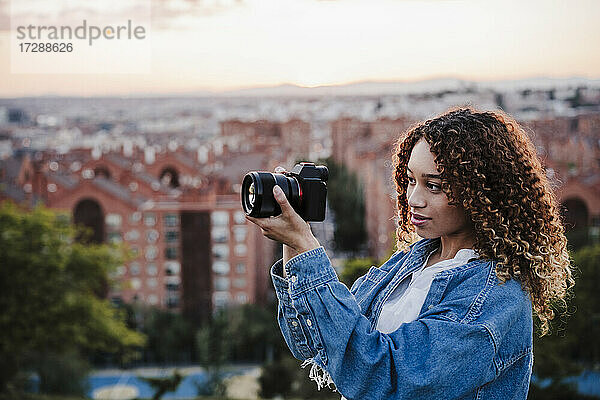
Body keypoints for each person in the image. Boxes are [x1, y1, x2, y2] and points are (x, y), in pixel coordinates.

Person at [245, 107, 573, 400]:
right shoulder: (411, 261)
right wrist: (293, 239)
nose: (413, 198)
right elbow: (317, 342)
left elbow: (385, 381)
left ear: (482, 193)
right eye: (410, 180)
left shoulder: (496, 299)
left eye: (434, 185)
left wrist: (307, 248)